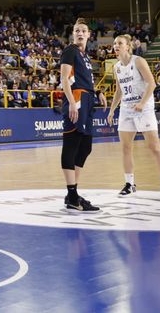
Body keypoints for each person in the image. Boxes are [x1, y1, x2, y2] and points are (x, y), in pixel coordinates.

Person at [107, 34, 160, 200]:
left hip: (144, 108)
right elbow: (119, 90)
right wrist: (111, 110)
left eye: (119, 43)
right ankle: (130, 184)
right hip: (126, 109)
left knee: (154, 147)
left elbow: (152, 83)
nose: (116, 46)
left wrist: (142, 104)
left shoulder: (138, 61)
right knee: (125, 148)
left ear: (128, 46)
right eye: (115, 43)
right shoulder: (117, 67)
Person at [59, 18, 103, 212]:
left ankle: (72, 194)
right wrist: (71, 103)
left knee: (85, 147)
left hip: (87, 99)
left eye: (83, 30)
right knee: (72, 144)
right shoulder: (70, 50)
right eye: (76, 30)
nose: (79, 33)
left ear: (88, 35)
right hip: (76, 99)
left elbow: (85, 80)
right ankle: (73, 195)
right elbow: (65, 78)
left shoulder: (85, 56)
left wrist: (98, 92)